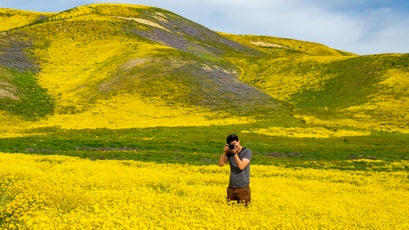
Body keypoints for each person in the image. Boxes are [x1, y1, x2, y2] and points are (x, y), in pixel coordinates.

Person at [218, 134, 252, 207]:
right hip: (231, 187)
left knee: (244, 211)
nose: (233, 146)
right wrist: (225, 152)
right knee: (230, 210)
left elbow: (241, 166)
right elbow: (221, 164)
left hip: (243, 187)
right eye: (231, 144)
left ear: (238, 141)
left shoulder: (246, 152)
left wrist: (234, 154)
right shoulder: (229, 152)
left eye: (234, 143)